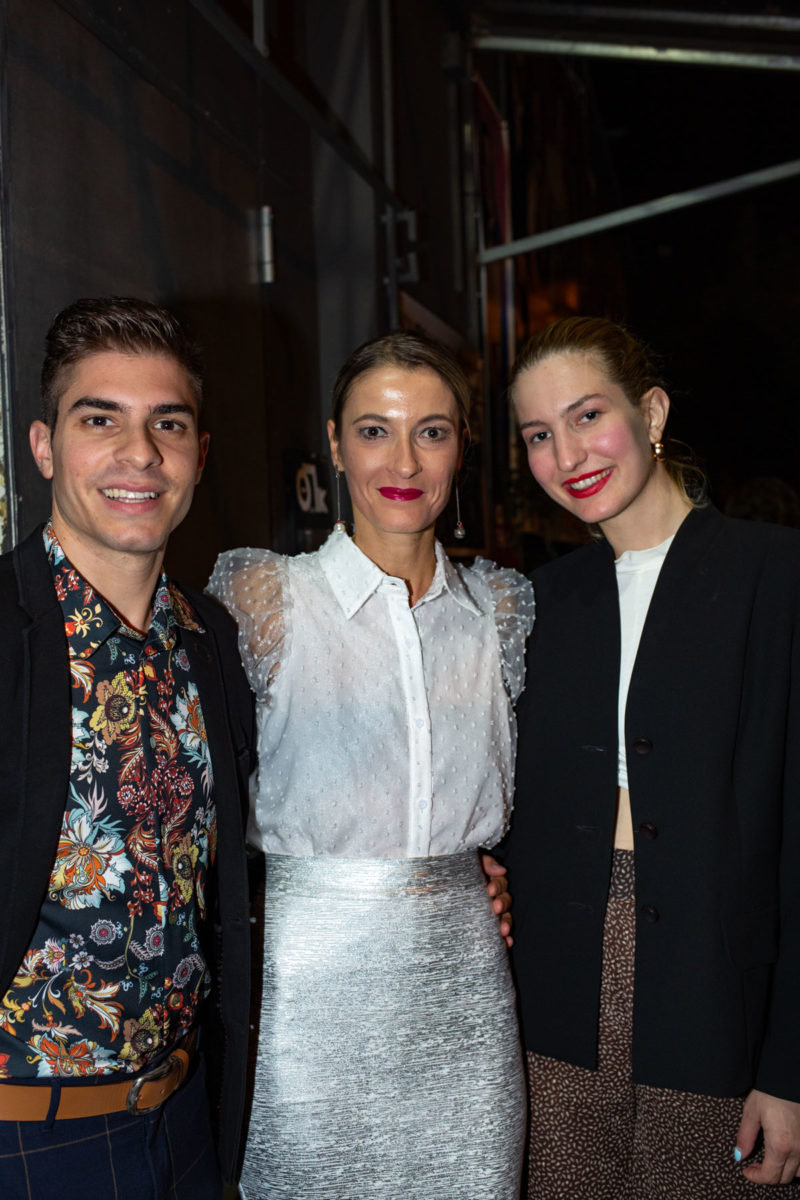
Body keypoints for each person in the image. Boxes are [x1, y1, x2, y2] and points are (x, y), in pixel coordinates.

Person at [208, 330, 534, 1200]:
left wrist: (494, 876)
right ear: (334, 442)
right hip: (308, 998)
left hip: (466, 993)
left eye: (432, 432)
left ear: (462, 447)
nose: (404, 461)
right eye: (374, 430)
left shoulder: (501, 611)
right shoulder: (266, 599)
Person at [502, 315, 800, 1199]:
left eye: (588, 416)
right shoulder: (536, 603)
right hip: (555, 1000)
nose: (568, 455)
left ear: (654, 412)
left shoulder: (775, 575)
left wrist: (790, 1067)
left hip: (717, 996)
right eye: (538, 436)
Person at [0, 298, 254, 1199]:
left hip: (186, 1121)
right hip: (26, 1136)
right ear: (44, 446)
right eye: (100, 419)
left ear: (199, 454)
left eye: (167, 424)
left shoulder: (212, 639)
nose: (140, 453)